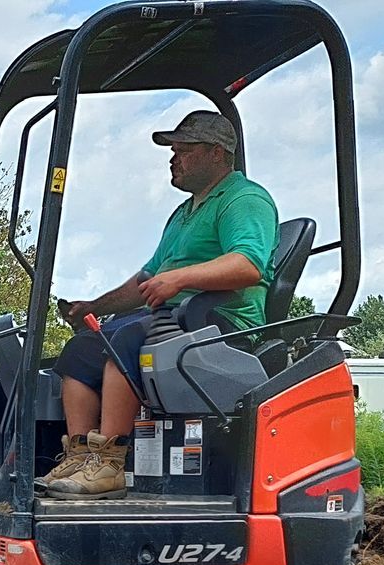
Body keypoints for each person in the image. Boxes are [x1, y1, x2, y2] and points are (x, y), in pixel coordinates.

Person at [40, 110, 279, 500]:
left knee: (128, 339)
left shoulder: (245, 200)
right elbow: (147, 280)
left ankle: (108, 464)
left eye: (184, 150)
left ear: (217, 153)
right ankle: (80, 458)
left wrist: (179, 279)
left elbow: (248, 264)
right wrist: (94, 306)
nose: (173, 158)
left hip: (220, 322)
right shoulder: (184, 214)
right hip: (175, 317)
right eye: (173, 150)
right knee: (81, 351)